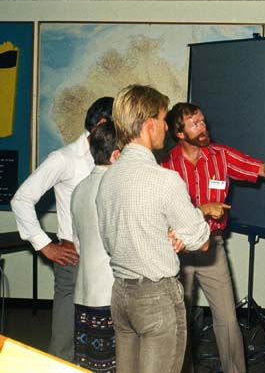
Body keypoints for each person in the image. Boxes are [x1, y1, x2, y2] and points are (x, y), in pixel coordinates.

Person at [161, 102, 265, 373]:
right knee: (177, 321)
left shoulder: (221, 155)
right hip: (178, 250)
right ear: (180, 133)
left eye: (203, 121)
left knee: (228, 320)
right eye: (195, 124)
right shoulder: (165, 166)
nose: (204, 127)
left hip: (212, 246)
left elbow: (263, 169)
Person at [95, 84, 211, 373]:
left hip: (121, 295)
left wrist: (165, 234)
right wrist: (184, 230)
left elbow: (113, 242)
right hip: (156, 299)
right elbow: (202, 241)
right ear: (149, 125)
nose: (165, 127)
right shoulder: (164, 180)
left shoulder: (107, 180)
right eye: (162, 119)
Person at [11, 97, 114, 362]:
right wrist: (44, 244)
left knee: (106, 340)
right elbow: (21, 199)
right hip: (75, 258)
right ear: (101, 123)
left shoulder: (117, 156)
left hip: (111, 260)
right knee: (64, 342)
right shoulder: (64, 158)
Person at [70, 121, 120, 372]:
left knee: (88, 364)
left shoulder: (79, 188)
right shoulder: (114, 188)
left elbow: (77, 241)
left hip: (85, 292)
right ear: (117, 154)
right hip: (111, 292)